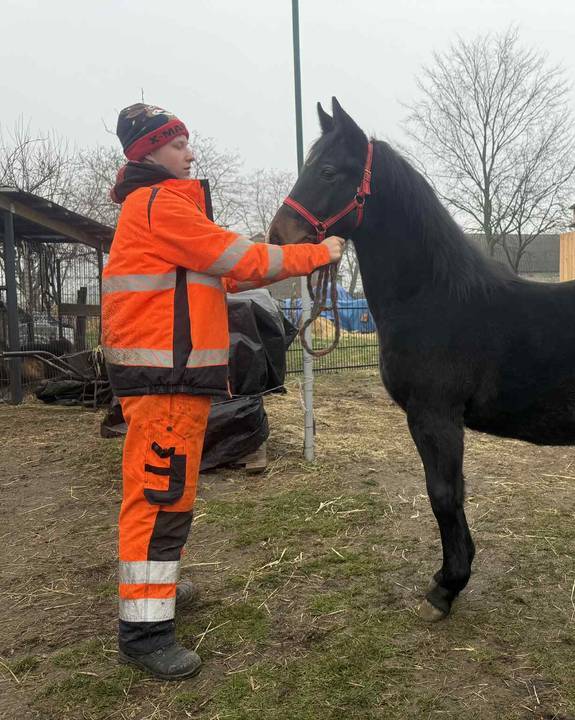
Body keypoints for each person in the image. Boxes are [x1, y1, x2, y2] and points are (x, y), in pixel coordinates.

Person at [102, 103, 341, 680]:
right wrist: (316, 254)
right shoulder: (159, 205)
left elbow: (230, 272)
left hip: (172, 382)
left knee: (170, 497)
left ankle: (159, 597)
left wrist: (288, 264)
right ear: (151, 152)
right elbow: (237, 257)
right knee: (159, 500)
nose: (191, 153)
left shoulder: (163, 211)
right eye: (180, 143)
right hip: (164, 383)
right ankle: (145, 633)